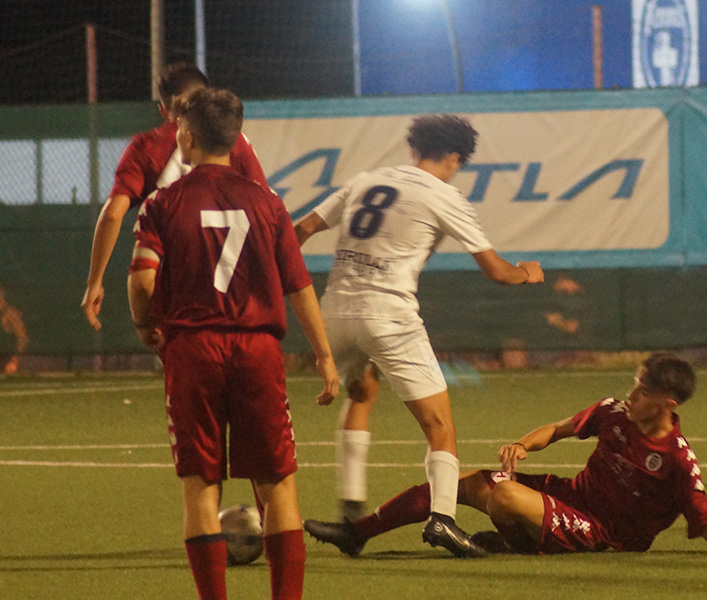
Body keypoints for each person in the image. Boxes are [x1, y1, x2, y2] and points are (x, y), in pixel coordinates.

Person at [293, 113, 545, 558]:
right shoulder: (443, 195)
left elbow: (301, 230)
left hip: (334, 314)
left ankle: (351, 513)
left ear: (413, 149)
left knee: (361, 393)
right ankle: (443, 519)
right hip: (388, 317)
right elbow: (496, 271)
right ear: (455, 158)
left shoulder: (365, 181)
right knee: (439, 425)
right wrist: (527, 273)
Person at [128, 88, 339, 600]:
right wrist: (324, 354)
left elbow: (141, 278)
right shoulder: (268, 202)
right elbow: (299, 285)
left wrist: (144, 324)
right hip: (257, 351)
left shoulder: (163, 202)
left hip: (193, 352)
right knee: (277, 485)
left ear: (187, 136)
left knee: (201, 487)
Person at [303, 353, 707, 558]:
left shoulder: (678, 459)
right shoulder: (614, 413)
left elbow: (702, 518)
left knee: (504, 497)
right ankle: (357, 533)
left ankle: (511, 540)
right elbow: (559, 430)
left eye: (643, 391)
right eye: (634, 384)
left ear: (668, 404)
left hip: (605, 533)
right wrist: (524, 444)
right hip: (571, 499)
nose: (632, 394)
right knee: (460, 484)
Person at [83, 61, 267, 331]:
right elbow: (264, 207)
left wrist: (95, 281)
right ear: (209, 97)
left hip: (178, 289)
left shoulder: (145, 147)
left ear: (163, 109)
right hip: (235, 287)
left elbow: (112, 215)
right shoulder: (232, 141)